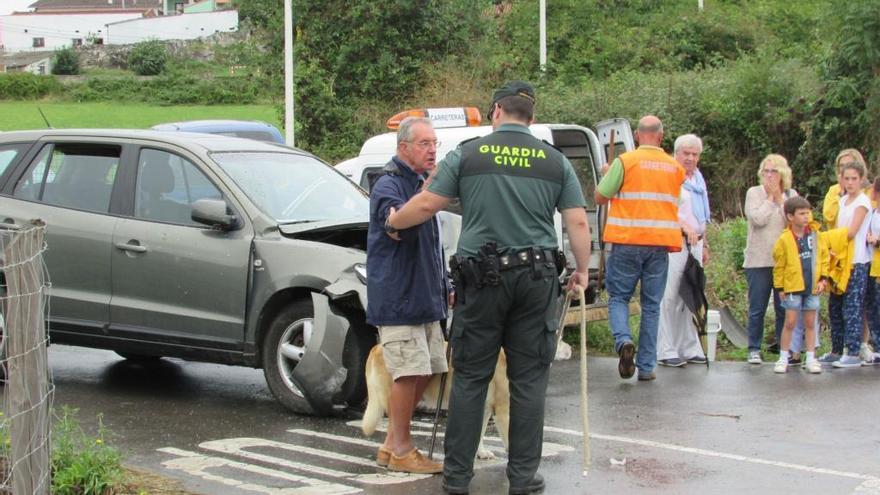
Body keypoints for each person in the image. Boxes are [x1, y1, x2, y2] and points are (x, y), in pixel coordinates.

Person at [385, 81, 591, 495]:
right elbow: (578, 222)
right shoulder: (554, 162)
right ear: (531, 117)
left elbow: (426, 204)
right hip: (536, 282)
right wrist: (582, 272)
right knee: (529, 381)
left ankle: (458, 479)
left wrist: (392, 222)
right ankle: (523, 478)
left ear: (496, 111)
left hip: (482, 282)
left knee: (471, 379)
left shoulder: (469, 154)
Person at [365, 117, 450, 474]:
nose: (432, 150)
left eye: (435, 143)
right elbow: (395, 221)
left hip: (425, 298)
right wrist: (426, 192)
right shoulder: (389, 184)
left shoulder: (418, 184)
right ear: (403, 148)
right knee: (406, 373)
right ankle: (401, 449)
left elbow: (432, 248)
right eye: (424, 144)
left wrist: (446, 286)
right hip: (400, 300)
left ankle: (390, 444)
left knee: (429, 370)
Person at [594, 115, 685, 381]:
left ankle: (623, 341)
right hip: (659, 245)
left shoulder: (625, 161)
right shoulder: (674, 167)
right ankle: (647, 367)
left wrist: (607, 174)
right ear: (661, 135)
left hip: (626, 241)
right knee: (652, 306)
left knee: (619, 298)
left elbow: (600, 196)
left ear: (636, 135)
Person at [657, 134, 709, 368]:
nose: (690, 158)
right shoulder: (670, 175)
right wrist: (684, 228)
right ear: (676, 153)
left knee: (689, 295)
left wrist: (704, 243)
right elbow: (665, 208)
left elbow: (702, 215)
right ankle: (665, 348)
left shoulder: (698, 178)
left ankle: (688, 346)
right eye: (686, 153)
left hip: (694, 243)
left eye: (694, 154)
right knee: (668, 297)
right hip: (673, 241)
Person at [743, 154, 798, 364]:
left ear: (782, 173)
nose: (769, 175)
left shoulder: (791, 195)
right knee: (757, 307)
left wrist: (781, 198)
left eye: (773, 171)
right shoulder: (754, 193)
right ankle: (754, 348)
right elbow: (757, 219)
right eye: (765, 171)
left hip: (784, 262)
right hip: (758, 260)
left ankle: (784, 349)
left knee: (783, 308)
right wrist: (770, 199)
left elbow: (793, 223)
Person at [822, 148, 876, 363]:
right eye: (847, 179)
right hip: (839, 261)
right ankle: (836, 349)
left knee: (852, 308)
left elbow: (851, 232)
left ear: (862, 179)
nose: (850, 183)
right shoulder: (842, 201)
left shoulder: (862, 202)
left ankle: (853, 351)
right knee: (834, 307)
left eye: (854, 179)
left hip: (857, 262)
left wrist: (826, 239)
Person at [772, 196, 828, 374]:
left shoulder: (816, 235)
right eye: (802, 213)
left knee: (811, 322)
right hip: (792, 286)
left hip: (812, 286)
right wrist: (780, 287)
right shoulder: (784, 239)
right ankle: (783, 357)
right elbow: (779, 265)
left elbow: (824, 257)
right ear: (790, 217)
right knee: (790, 322)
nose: (806, 217)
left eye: (808, 212)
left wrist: (823, 279)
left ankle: (811, 358)